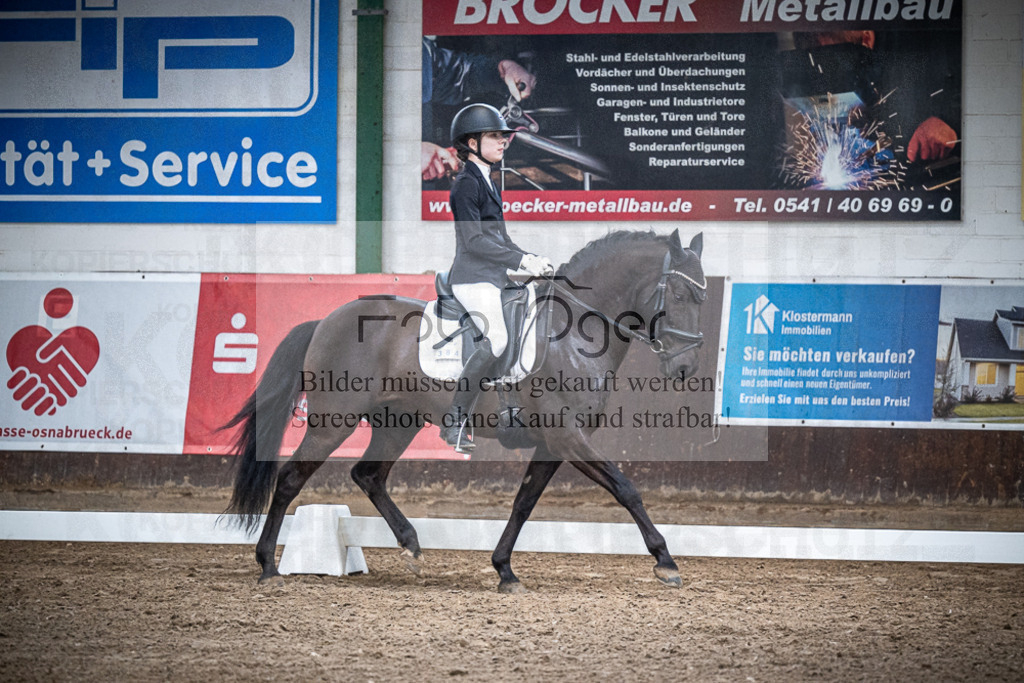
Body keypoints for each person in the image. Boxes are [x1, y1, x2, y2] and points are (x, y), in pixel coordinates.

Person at [439, 103, 552, 453]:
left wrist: (530, 259)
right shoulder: (464, 186)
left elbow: (500, 240)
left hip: (494, 276)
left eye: (504, 136)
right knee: (498, 339)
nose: (504, 141)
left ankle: (510, 407)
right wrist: (520, 259)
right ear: (472, 143)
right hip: (472, 278)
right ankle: (455, 421)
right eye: (495, 136)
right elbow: (474, 241)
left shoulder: (489, 182)